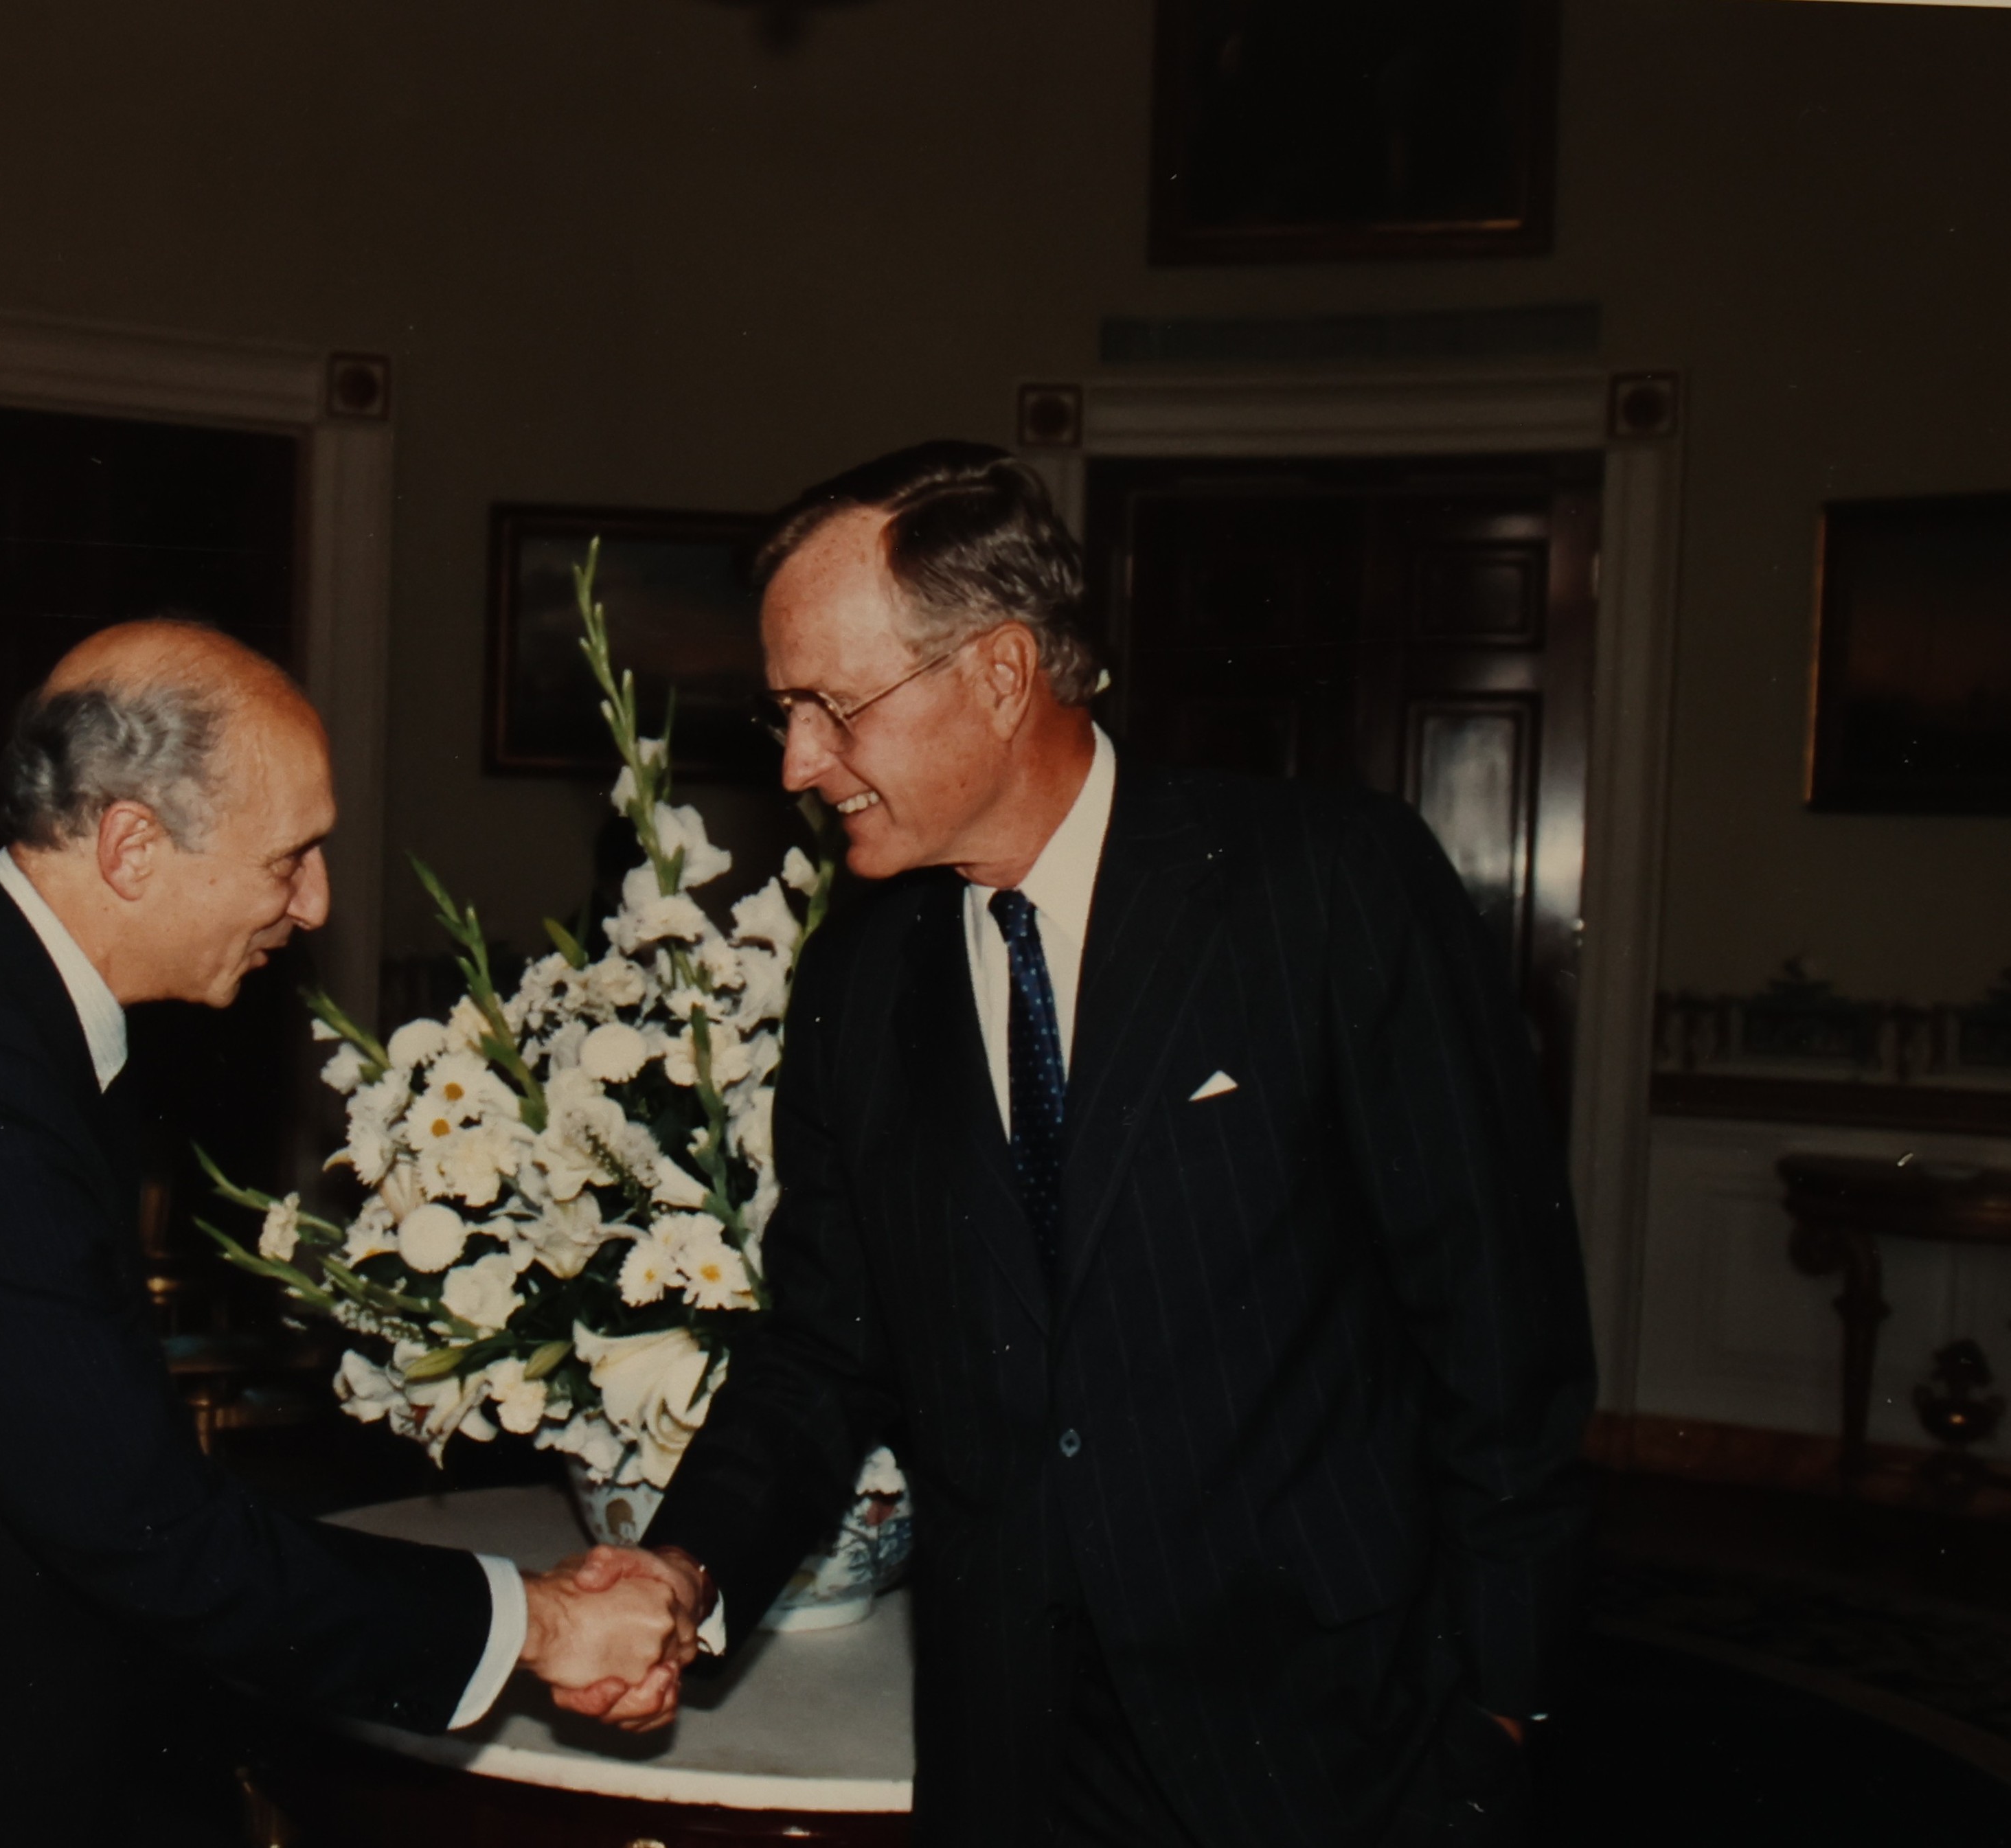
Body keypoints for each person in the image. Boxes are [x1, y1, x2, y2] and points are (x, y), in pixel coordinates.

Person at [593, 442, 1598, 1845]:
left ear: (1001, 671)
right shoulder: (859, 981)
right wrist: (683, 1569)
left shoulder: (1323, 888)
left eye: (831, 706)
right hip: (1009, 1751)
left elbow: (1499, 1335)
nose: (797, 762)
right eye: (783, 713)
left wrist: (1498, 1713)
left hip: (1333, 1739)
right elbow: (824, 1345)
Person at [0, 620, 688, 1846]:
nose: (316, 901)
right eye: (290, 858)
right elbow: (146, 1532)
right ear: (131, 845)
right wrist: (538, 1625)